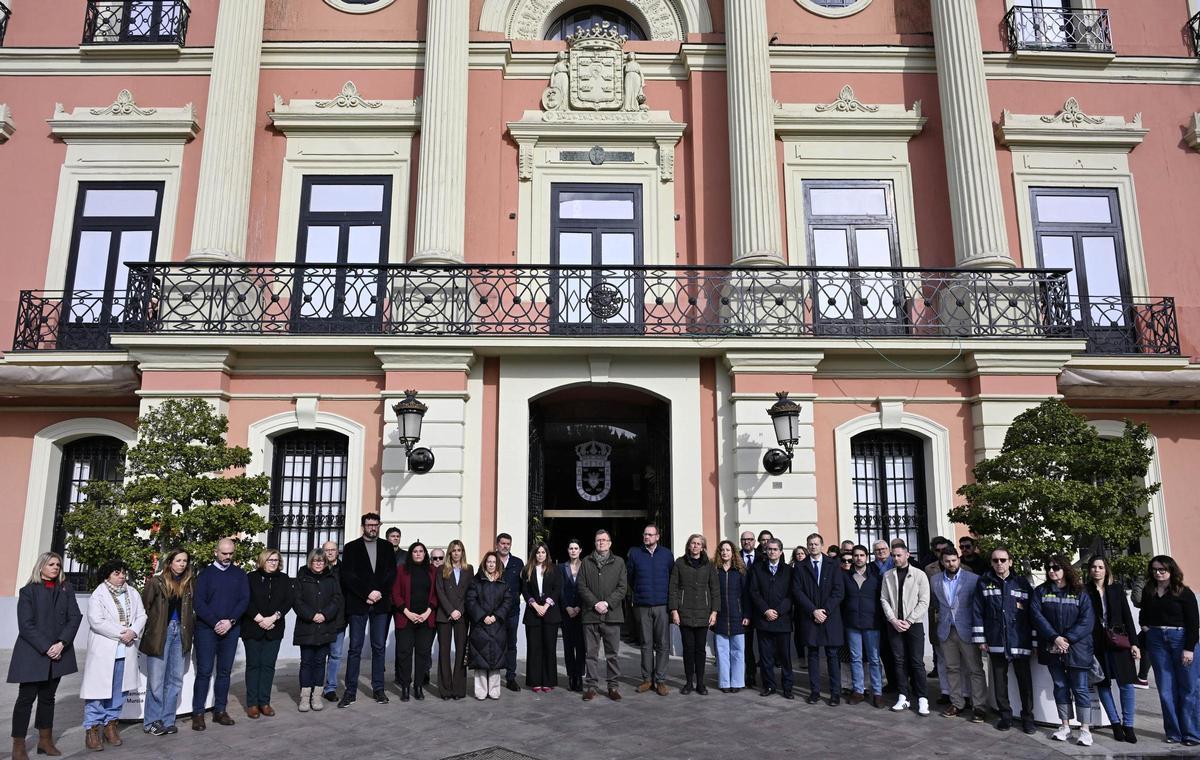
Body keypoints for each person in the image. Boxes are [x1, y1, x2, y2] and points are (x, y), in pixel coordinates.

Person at [8, 553, 82, 760]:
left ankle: (45, 741)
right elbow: (26, 625)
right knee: (26, 698)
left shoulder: (66, 590)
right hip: (33, 653)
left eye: (58, 564)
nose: (56, 567)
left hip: (58, 651)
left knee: (48, 698)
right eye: (51, 564)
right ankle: (19, 745)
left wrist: (61, 644)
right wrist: (47, 647)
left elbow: (74, 617)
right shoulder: (28, 591)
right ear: (41, 567)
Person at [79, 560, 145, 751]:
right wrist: (123, 633)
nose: (122, 576)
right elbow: (96, 621)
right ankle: (92, 729)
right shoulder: (98, 594)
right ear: (107, 575)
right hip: (105, 650)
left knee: (119, 691)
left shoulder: (132, 592)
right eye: (117, 573)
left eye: (124, 572)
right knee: (97, 692)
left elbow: (142, 615)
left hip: (126, 650)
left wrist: (133, 631)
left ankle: (111, 725)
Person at [1031, 554, 1095, 746]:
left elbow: (1087, 620)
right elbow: (1036, 616)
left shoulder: (1080, 592)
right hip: (1052, 647)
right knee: (1060, 686)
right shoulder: (1041, 591)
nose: (1051, 571)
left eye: (1056, 567)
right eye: (1049, 567)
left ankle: (1085, 729)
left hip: (1077, 648)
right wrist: (1055, 638)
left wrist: (1067, 639)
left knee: (1081, 688)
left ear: (1065, 569)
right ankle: (1065, 726)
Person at [972, 545, 1036, 734]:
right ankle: (1005, 716)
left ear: (1010, 562)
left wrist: (1033, 641)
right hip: (996, 640)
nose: (999, 563)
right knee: (1000, 682)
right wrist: (981, 639)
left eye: (1003, 560)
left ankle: (1028, 718)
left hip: (1019, 641)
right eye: (995, 560)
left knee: (1025, 683)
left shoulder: (1022, 583)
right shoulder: (984, 583)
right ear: (991, 563)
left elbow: (1031, 614)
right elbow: (977, 611)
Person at [1139, 554, 1200, 746]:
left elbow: (1193, 623)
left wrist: (1189, 648)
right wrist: (1146, 628)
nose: (1158, 573)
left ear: (1171, 570)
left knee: (1189, 688)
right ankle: (1173, 733)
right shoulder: (1149, 591)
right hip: (1157, 641)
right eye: (1155, 570)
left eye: (1162, 570)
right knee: (1166, 689)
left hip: (1180, 639)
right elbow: (1143, 614)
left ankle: (1192, 734)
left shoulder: (1184, 592)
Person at [338, 512, 396, 707]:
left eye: (376, 524)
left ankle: (378, 689)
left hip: (381, 604)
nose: (373, 527)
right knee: (355, 648)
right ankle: (350, 691)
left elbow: (391, 573)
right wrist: (367, 594)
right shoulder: (351, 548)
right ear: (363, 526)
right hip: (358, 603)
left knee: (378, 647)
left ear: (379, 526)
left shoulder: (387, 547)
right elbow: (348, 575)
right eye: (369, 524)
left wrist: (379, 592)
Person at [192, 538, 250, 730]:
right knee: (204, 671)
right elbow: (199, 603)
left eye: (230, 553)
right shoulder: (205, 575)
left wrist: (230, 621)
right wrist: (216, 622)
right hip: (207, 630)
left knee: (225, 672)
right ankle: (198, 713)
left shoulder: (240, 574)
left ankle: (220, 711)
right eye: (224, 553)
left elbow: (244, 600)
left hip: (231, 629)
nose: (227, 557)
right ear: (215, 552)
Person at [929, 547, 987, 722]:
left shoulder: (973, 579)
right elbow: (935, 604)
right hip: (946, 630)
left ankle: (979, 706)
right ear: (942, 561)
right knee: (951, 668)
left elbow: (979, 606)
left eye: (954, 560)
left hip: (967, 629)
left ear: (958, 560)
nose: (951, 564)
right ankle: (957, 702)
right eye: (947, 561)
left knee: (975, 669)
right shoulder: (935, 580)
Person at [140, 548, 194, 737]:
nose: (182, 564)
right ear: (169, 562)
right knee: (156, 682)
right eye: (178, 560)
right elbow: (144, 608)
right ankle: (151, 722)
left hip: (181, 631)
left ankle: (167, 720)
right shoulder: (156, 582)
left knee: (175, 680)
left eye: (185, 561)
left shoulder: (189, 583)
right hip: (159, 633)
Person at [1086, 554, 1139, 743]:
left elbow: (1127, 617)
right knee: (1103, 683)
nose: (1097, 570)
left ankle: (1129, 725)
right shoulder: (1085, 590)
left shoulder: (1116, 589)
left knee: (1126, 684)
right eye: (1093, 567)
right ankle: (1115, 723)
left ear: (1106, 569)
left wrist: (1134, 643)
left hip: (1119, 642)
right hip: (1097, 644)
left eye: (1100, 567)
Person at [241, 548, 293, 719]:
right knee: (254, 665)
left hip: (274, 628)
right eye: (270, 560)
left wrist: (274, 618)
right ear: (263, 560)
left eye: (276, 560)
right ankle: (252, 704)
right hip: (253, 627)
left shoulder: (284, 579)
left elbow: (288, 600)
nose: (273, 563)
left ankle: (264, 702)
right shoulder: (250, 577)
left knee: (268, 666)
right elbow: (245, 600)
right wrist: (259, 619)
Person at [795, 532, 846, 706]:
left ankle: (834, 693)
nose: (813, 547)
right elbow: (797, 591)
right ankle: (815, 692)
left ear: (822, 545)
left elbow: (839, 591)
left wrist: (825, 611)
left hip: (830, 617)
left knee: (832, 655)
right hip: (810, 617)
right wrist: (813, 611)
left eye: (816, 544)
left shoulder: (833, 564)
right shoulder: (800, 566)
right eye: (810, 544)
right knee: (813, 655)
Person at [880, 541, 930, 716]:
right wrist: (893, 619)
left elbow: (924, 601)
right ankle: (903, 696)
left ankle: (923, 698)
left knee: (917, 662)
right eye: (893, 555)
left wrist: (909, 620)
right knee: (899, 661)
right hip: (894, 625)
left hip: (914, 625)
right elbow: (884, 599)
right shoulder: (887, 575)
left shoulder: (919, 575)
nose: (896, 558)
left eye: (899, 555)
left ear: (907, 555)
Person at [578, 528, 628, 701]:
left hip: (612, 615)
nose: (601, 542)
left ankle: (613, 687)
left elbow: (622, 588)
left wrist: (607, 603)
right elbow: (581, 586)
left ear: (610, 543)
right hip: (590, 615)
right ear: (595, 542)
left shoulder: (619, 562)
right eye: (598, 540)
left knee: (612, 654)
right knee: (590, 654)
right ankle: (591, 686)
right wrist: (595, 603)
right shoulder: (586, 561)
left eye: (604, 540)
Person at [293, 548, 343, 713]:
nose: (319, 564)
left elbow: (336, 599)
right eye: (316, 560)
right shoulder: (302, 577)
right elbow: (297, 601)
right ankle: (305, 697)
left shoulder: (331, 578)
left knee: (320, 662)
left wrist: (325, 614)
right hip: (307, 627)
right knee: (306, 662)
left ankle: (316, 696)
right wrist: (311, 615)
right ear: (310, 561)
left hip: (325, 626)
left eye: (321, 561)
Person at [627, 523, 674, 696]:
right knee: (646, 644)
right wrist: (640, 593)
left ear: (657, 537)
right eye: (645, 534)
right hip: (642, 605)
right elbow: (630, 578)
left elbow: (672, 577)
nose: (646, 537)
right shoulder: (635, 554)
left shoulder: (667, 555)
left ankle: (660, 680)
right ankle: (647, 679)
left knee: (663, 644)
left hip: (662, 605)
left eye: (650, 534)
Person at [669, 533, 719, 695]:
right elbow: (673, 588)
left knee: (701, 650)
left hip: (704, 614)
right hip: (685, 613)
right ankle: (689, 682)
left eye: (699, 543)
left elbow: (714, 589)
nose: (696, 546)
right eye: (693, 543)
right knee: (688, 649)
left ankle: (701, 683)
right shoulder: (680, 563)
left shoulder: (709, 565)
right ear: (688, 546)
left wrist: (714, 612)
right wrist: (674, 610)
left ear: (703, 547)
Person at [391, 541, 437, 702]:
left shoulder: (432, 571)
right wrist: (407, 612)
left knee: (423, 653)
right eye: (415, 551)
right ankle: (405, 686)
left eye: (421, 551)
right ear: (411, 554)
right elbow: (395, 593)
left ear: (425, 554)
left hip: (426, 619)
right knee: (404, 653)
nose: (418, 554)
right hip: (406, 619)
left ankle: (418, 686)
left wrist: (427, 612)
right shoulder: (401, 570)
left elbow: (436, 594)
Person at [750, 538, 795, 699]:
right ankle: (769, 685)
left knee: (785, 657)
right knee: (765, 657)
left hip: (782, 620)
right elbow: (754, 592)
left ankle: (788, 687)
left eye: (775, 549)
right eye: (769, 549)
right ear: (765, 551)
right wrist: (766, 610)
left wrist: (778, 611)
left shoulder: (789, 570)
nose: (772, 552)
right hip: (764, 620)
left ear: (781, 552)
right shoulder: (757, 569)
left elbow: (792, 594)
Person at [466, 551, 513, 700]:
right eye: (488, 562)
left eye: (494, 562)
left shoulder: (503, 582)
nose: (491, 564)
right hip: (480, 626)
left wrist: (496, 616)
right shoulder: (476, 581)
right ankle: (480, 691)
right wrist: (482, 616)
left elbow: (508, 601)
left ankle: (493, 690)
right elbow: (470, 601)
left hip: (497, 626)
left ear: (497, 564)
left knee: (495, 659)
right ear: (484, 563)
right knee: (480, 660)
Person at [842, 544, 884, 708]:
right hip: (852, 623)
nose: (858, 558)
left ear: (867, 557)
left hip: (872, 623)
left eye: (861, 555)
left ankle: (877, 692)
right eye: (856, 555)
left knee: (874, 659)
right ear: (852, 557)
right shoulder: (845, 576)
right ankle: (858, 691)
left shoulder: (875, 576)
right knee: (855, 659)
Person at [523, 542, 562, 692]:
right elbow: (525, 590)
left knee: (549, 647)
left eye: (543, 552)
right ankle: (535, 681)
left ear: (547, 554)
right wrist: (535, 605)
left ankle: (548, 680)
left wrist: (545, 605)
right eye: (538, 552)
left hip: (550, 613)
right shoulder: (527, 569)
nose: (540, 555)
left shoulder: (554, 569)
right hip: (533, 613)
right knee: (534, 648)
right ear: (534, 554)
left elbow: (557, 588)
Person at [435, 540, 472, 700]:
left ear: (462, 552)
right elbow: (439, 591)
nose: (456, 553)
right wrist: (451, 610)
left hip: (462, 616)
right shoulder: (442, 569)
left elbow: (470, 593)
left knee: (461, 652)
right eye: (454, 550)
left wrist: (459, 611)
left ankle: (458, 689)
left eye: (459, 550)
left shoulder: (468, 569)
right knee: (444, 652)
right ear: (450, 553)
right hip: (444, 615)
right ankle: (445, 690)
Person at [713, 539, 749, 693]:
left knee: (738, 652)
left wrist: (746, 614)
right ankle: (724, 683)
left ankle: (737, 682)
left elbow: (746, 595)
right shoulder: (715, 571)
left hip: (737, 615)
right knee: (722, 652)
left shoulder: (740, 571)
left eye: (728, 550)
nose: (725, 552)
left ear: (733, 552)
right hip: (720, 616)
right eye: (722, 550)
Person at [495, 533, 525, 692]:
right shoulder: (490, 560)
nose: (505, 546)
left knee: (511, 644)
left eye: (508, 543)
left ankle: (511, 677)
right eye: (502, 543)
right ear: (497, 544)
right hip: (494, 612)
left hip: (512, 611)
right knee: (495, 643)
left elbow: (523, 585)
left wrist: (513, 598)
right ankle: (493, 676)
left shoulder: (518, 563)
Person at [320, 540, 345, 703]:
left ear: (337, 552)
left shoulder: (345, 570)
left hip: (339, 618)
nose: (329, 553)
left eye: (333, 550)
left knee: (335, 655)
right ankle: (314, 687)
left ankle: (330, 688)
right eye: (326, 550)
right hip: (320, 618)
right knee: (319, 656)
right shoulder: (317, 569)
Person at [559, 539, 586, 692]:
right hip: (566, 613)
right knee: (568, 646)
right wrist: (567, 607)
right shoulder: (561, 567)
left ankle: (580, 676)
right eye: (571, 548)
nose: (573, 551)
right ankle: (571, 677)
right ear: (568, 550)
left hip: (582, 613)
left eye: (576, 548)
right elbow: (560, 589)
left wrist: (579, 606)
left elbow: (588, 588)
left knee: (581, 647)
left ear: (580, 550)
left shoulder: (586, 566)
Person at [739, 531, 760, 688]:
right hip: (743, 608)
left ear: (755, 541)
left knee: (765, 646)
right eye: (744, 539)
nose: (747, 542)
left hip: (761, 608)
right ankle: (749, 675)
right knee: (746, 645)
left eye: (750, 539)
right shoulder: (735, 557)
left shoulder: (763, 556)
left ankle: (767, 677)